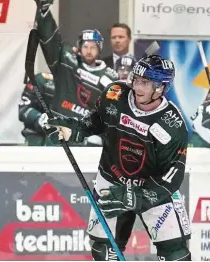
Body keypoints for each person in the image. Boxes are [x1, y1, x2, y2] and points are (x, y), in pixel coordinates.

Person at [39, 54, 191, 261]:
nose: (138, 87)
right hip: (112, 179)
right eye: (136, 80)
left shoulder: (172, 125)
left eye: (145, 83)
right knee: (104, 250)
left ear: (161, 87)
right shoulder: (115, 94)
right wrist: (73, 130)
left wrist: (141, 196)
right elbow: (96, 121)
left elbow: (173, 174)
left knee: (176, 253)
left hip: (151, 187)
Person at [33, 0, 119, 121]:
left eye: (93, 47)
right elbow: (51, 41)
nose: (89, 51)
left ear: (100, 49)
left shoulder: (110, 78)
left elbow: (113, 113)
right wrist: (44, 11)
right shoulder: (66, 61)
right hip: (59, 128)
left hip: (86, 134)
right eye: (85, 46)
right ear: (79, 47)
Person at [18, 72, 56, 146]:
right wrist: (40, 118)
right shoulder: (41, 80)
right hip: (38, 137)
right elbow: (23, 109)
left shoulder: (81, 85)